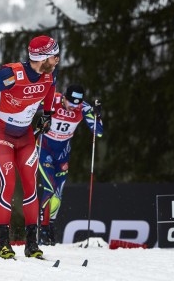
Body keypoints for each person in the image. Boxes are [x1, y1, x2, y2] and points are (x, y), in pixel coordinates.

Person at [0, 35, 60, 259]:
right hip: (2, 134)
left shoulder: (49, 75)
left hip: (26, 136)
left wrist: (46, 115)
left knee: (31, 187)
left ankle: (31, 244)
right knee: (8, 185)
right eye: (53, 55)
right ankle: (3, 244)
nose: (57, 59)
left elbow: (49, 91)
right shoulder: (12, 75)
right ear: (42, 57)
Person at [37, 84, 103, 245]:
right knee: (49, 187)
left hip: (63, 153)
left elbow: (99, 132)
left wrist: (97, 116)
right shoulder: (53, 99)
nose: (73, 108)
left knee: (58, 194)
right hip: (44, 149)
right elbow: (29, 105)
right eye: (71, 104)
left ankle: (50, 225)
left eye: (77, 105)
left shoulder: (83, 108)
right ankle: (41, 228)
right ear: (64, 97)